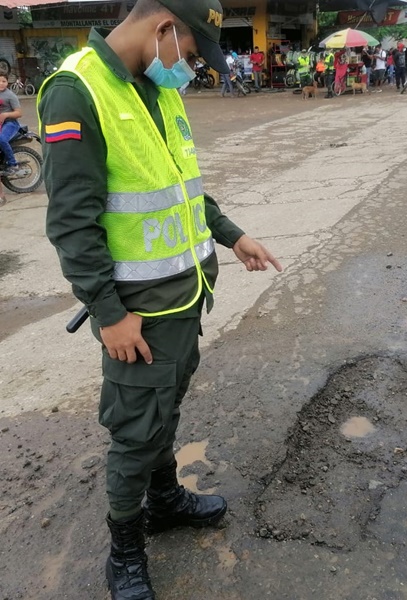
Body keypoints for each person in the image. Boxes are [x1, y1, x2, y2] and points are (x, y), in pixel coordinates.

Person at [37, 1, 283, 597]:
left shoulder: (158, 86)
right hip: (137, 311)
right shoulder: (76, 91)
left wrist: (231, 234)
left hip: (185, 296)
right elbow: (72, 222)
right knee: (135, 432)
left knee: (163, 410)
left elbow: (182, 184)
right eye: (193, 54)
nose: (191, 69)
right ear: (164, 29)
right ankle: (124, 550)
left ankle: (166, 499)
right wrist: (108, 313)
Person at [0, 73, 22, 175]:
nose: (1, 84)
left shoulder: (10, 96)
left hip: (10, 123)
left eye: (3, 81)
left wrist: (6, 115)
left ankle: (13, 164)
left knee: (1, 139)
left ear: (7, 82)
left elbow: (19, 113)